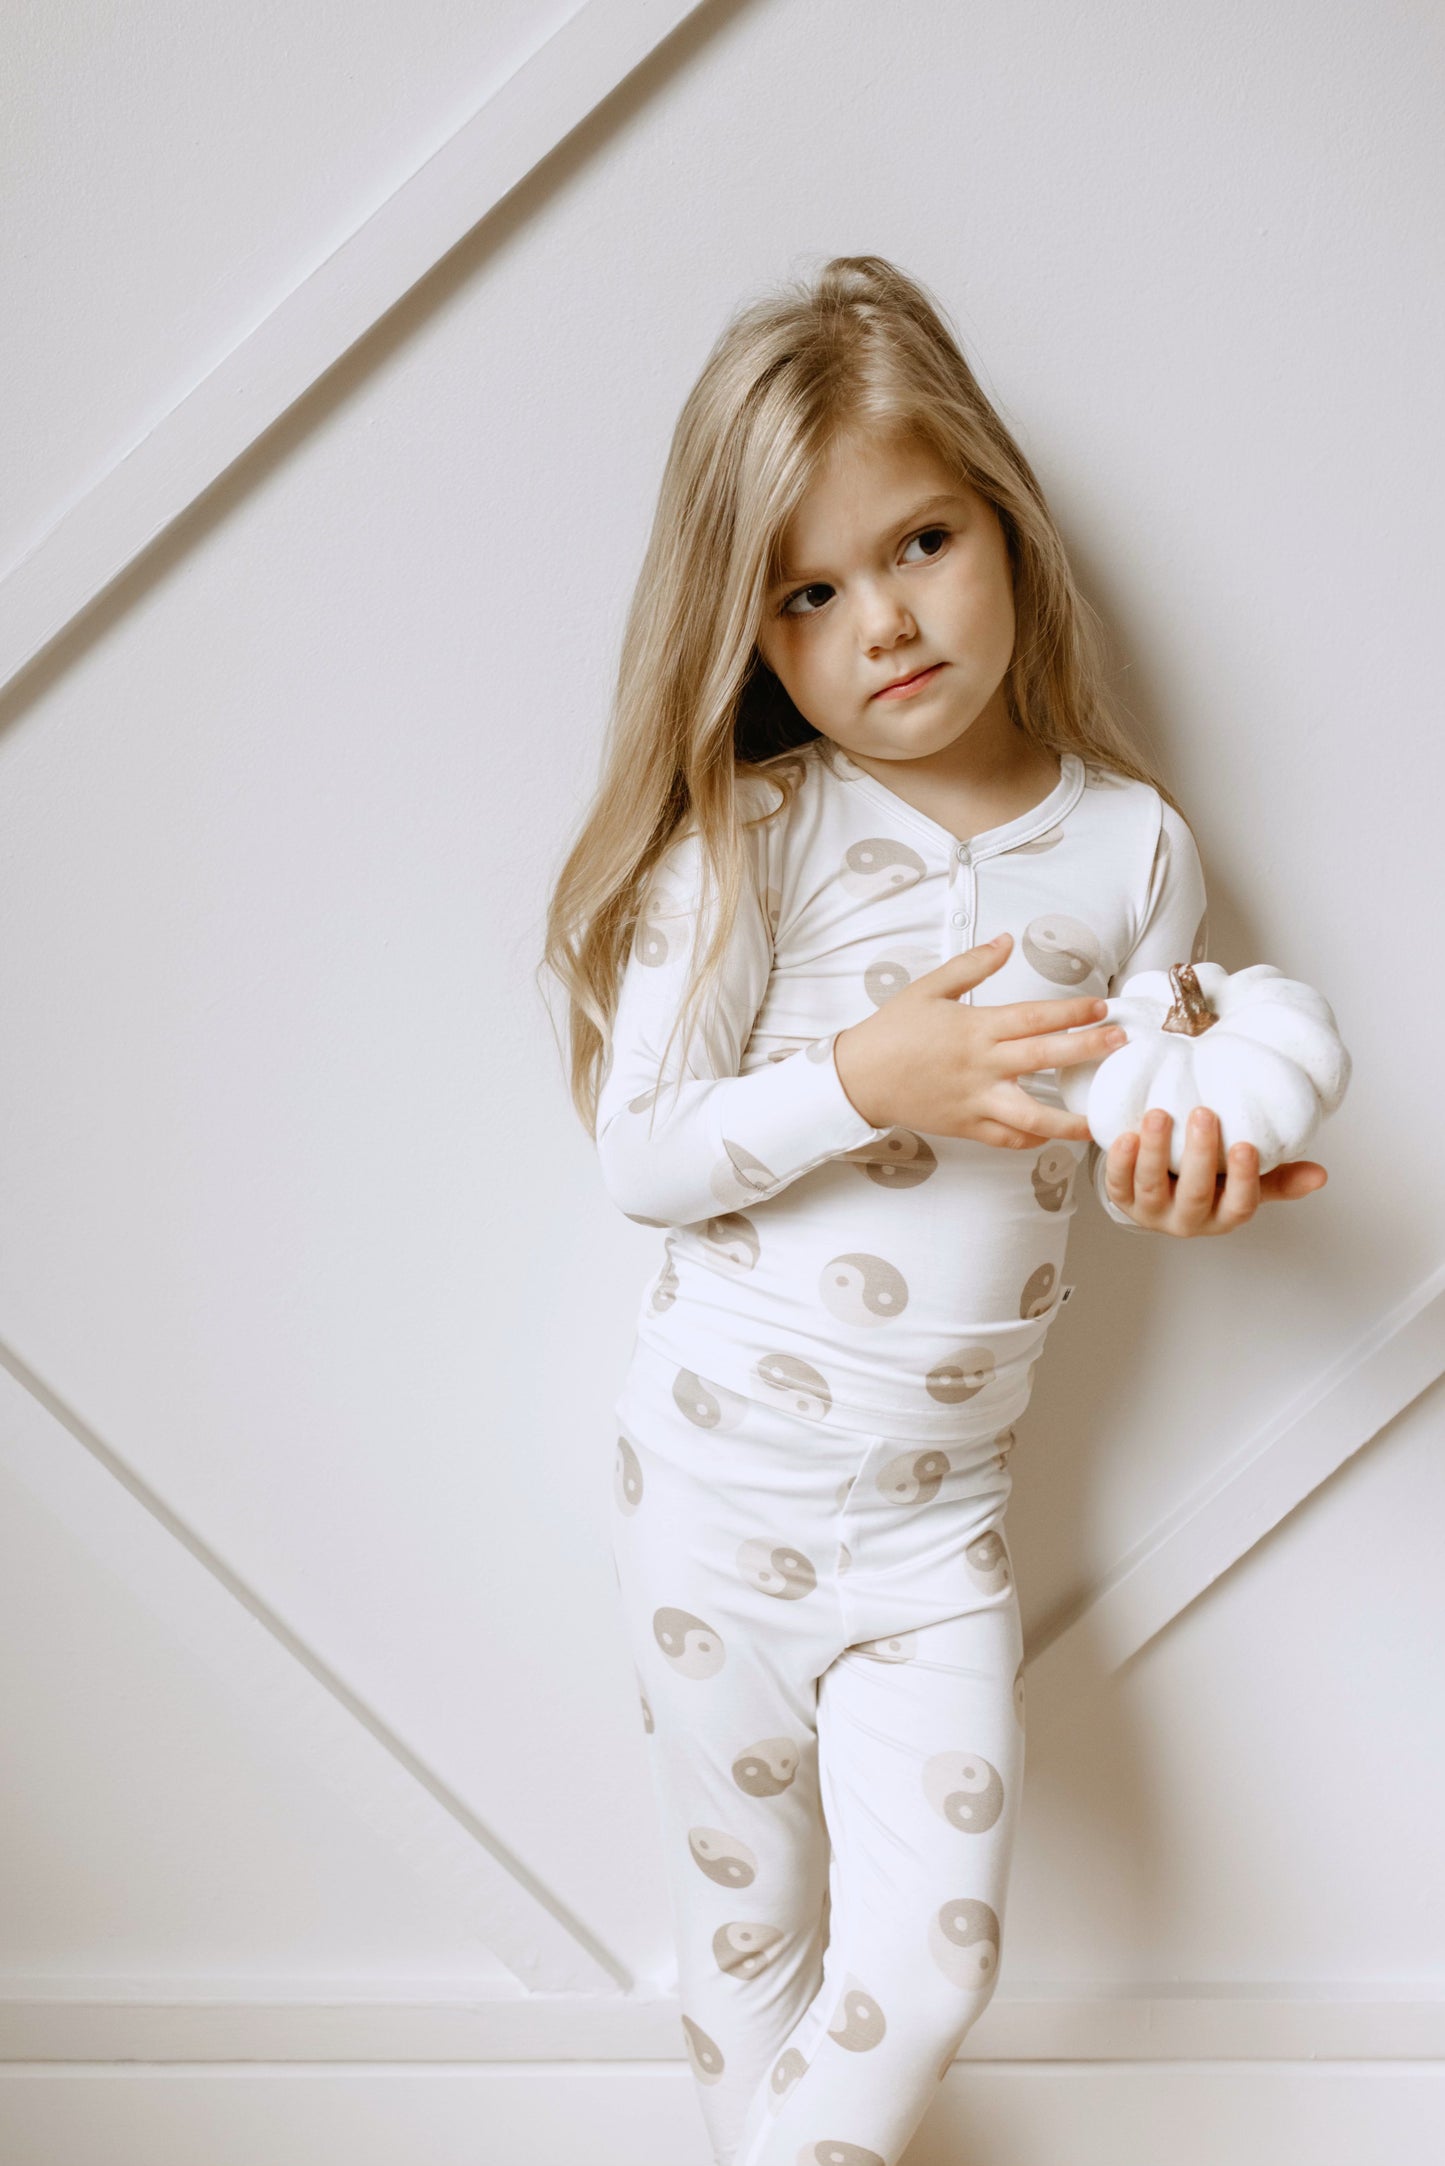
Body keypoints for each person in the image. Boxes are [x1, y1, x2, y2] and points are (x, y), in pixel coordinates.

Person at [539, 254, 1328, 2166]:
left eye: (920, 542)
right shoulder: (752, 838)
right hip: (712, 1505)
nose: (882, 619)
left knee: (929, 1962)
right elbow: (638, 1150)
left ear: (1001, 525)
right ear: (750, 630)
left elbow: (1136, 1101)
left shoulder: (1129, 845)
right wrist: (852, 1086)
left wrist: (1187, 1169)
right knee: (749, 1953)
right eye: (809, 591)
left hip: (930, 1541)